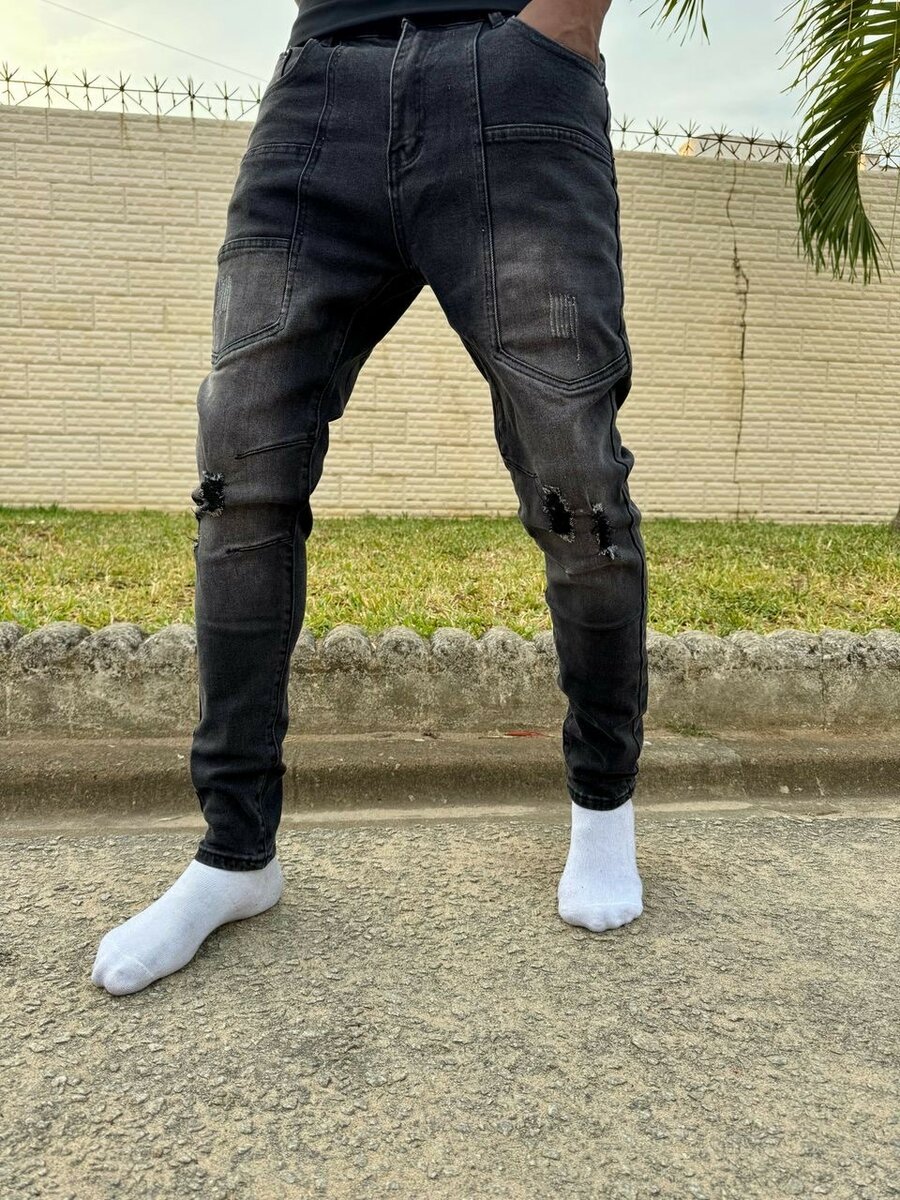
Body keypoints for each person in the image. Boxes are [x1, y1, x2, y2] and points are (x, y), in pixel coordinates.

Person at [91, 0, 647, 997]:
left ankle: (604, 808)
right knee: (241, 467)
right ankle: (234, 854)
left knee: (576, 481)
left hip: (518, 77)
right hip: (320, 82)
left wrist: (562, 23)